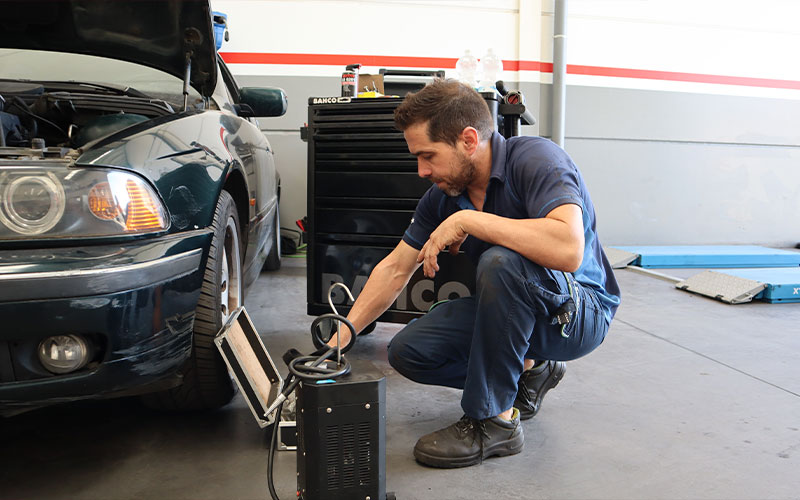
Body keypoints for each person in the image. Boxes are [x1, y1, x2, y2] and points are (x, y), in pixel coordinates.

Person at [329, 79, 621, 468]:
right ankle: (529, 369)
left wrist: (473, 220)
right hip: (517, 312)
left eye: (428, 156)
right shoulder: (444, 196)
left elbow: (568, 249)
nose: (421, 170)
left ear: (468, 140)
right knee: (409, 351)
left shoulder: (536, 159)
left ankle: (495, 422)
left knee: (502, 261)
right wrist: (337, 343)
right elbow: (397, 268)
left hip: (578, 312)